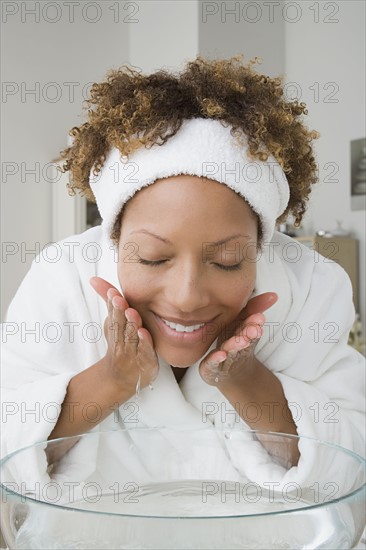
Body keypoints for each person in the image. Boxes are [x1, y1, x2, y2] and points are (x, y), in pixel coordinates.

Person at [1, 55, 365, 492]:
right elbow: (9, 459)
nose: (187, 297)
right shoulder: (60, 277)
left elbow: (349, 469)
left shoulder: (312, 287)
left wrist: (246, 381)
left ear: (261, 246)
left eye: (228, 260)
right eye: (154, 258)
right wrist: (113, 378)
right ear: (114, 237)